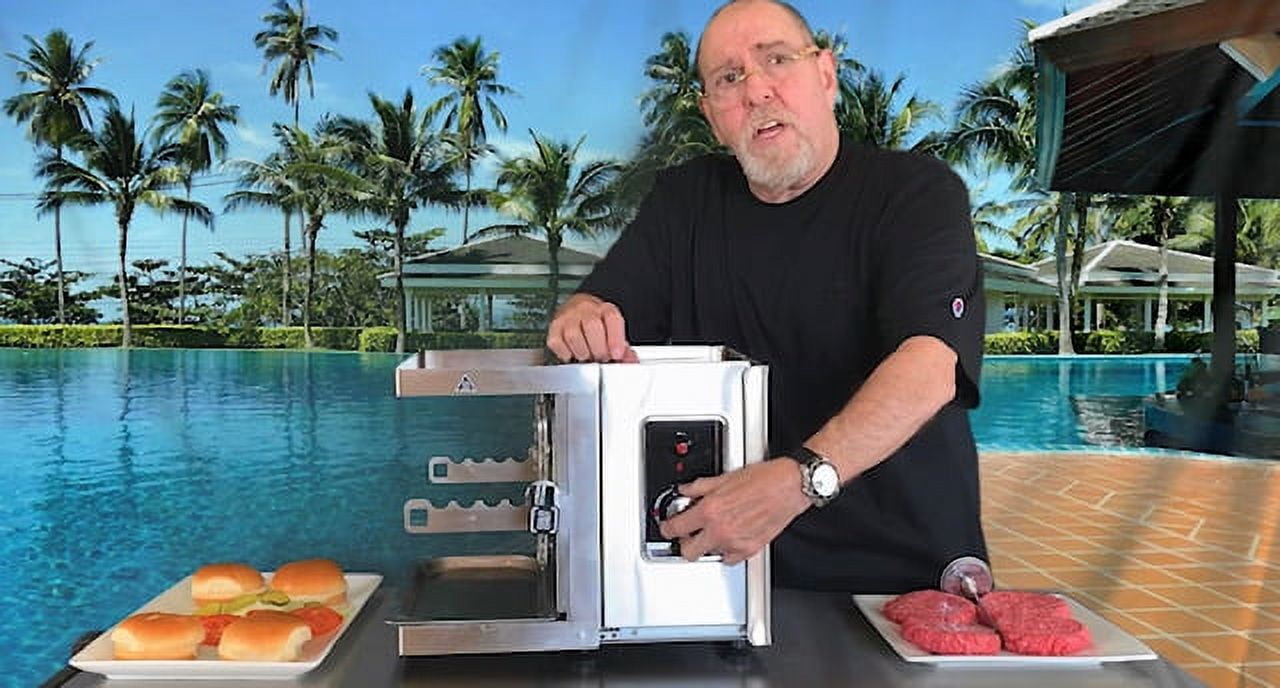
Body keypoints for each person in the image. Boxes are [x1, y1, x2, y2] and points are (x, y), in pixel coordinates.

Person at [546, 0, 987, 593]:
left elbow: (930, 366)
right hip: (728, 573)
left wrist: (798, 481)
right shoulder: (686, 202)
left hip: (901, 579)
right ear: (712, 115)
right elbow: (605, 307)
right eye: (729, 78)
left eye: (777, 60)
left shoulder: (915, 193)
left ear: (825, 74)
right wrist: (584, 316)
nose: (757, 91)